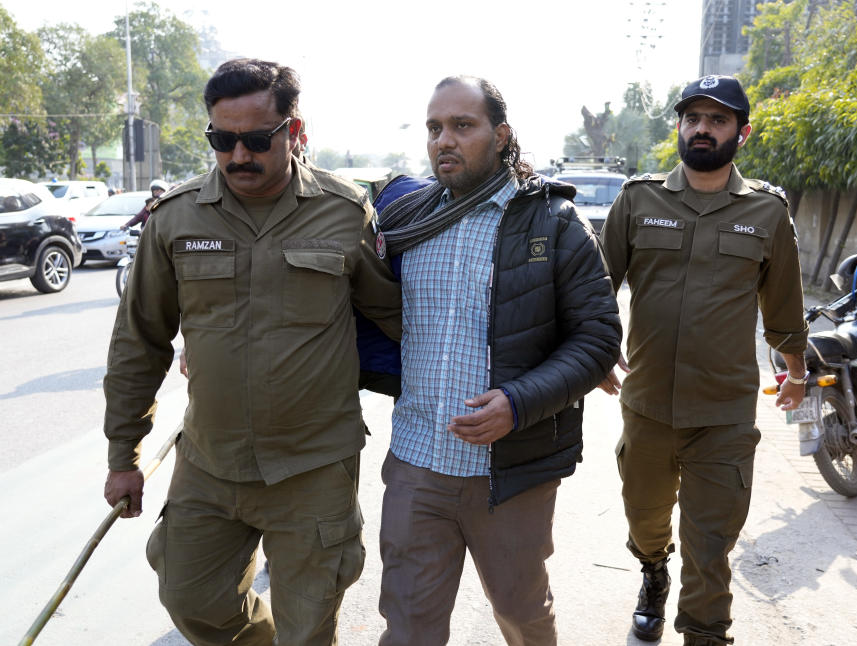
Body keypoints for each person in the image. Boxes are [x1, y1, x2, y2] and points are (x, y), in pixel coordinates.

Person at [102, 58, 401, 646]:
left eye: (257, 140)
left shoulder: (344, 213)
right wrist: (122, 454)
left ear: (293, 130)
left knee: (308, 627)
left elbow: (394, 316)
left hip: (313, 467)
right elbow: (139, 339)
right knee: (190, 597)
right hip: (210, 465)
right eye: (223, 140)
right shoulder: (176, 219)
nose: (239, 156)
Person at [375, 76, 622, 646]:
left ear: (501, 134)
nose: (444, 140)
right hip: (417, 464)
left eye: (463, 126)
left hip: (510, 472)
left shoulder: (554, 224)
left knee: (521, 615)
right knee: (408, 628)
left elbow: (598, 339)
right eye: (435, 127)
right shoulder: (404, 222)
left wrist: (517, 402)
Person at [599, 75, 809, 646]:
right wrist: (592, 353)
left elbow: (785, 305)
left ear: (742, 133)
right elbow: (595, 289)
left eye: (717, 120)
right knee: (644, 519)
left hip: (724, 416)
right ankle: (651, 570)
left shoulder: (766, 212)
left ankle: (704, 632)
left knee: (711, 547)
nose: (702, 128)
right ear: (679, 127)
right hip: (646, 407)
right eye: (692, 118)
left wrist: (796, 371)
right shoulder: (638, 199)